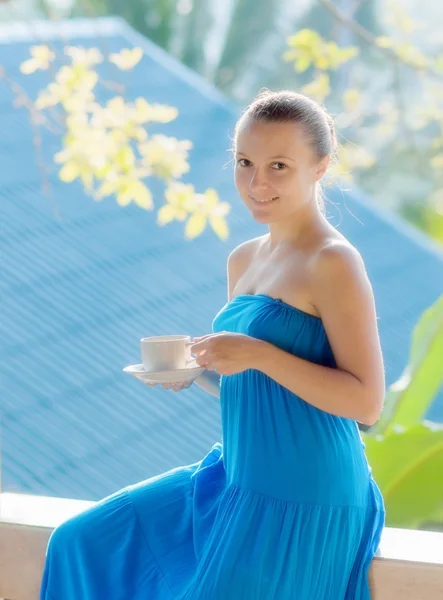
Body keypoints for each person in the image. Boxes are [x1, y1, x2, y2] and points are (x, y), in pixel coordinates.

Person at [40, 89, 386, 600]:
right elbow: (262, 391)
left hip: (307, 491)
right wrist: (200, 373)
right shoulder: (244, 259)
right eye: (244, 162)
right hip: (238, 473)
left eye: (279, 166)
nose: (256, 182)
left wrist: (260, 354)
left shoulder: (333, 261)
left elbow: (366, 404)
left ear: (320, 167)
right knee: (81, 542)